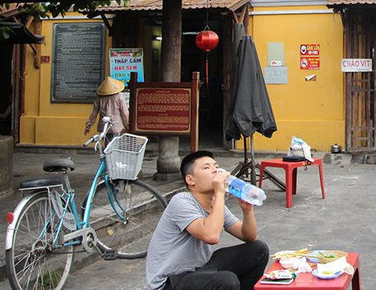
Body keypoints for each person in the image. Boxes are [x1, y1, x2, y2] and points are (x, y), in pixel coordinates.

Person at [145, 150, 269, 289]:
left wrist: (247, 211)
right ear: (190, 180)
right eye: (206, 167)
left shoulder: (215, 204)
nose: (215, 171)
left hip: (200, 269)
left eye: (216, 166)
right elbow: (211, 236)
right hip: (170, 281)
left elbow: (249, 236)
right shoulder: (181, 201)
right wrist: (220, 193)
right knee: (226, 280)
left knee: (258, 249)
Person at [85, 76, 129, 141]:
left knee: (107, 146)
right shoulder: (119, 97)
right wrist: (127, 126)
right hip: (117, 126)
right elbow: (125, 113)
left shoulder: (99, 98)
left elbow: (93, 114)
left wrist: (88, 126)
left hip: (104, 127)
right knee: (114, 146)